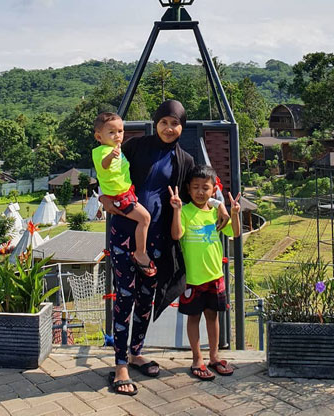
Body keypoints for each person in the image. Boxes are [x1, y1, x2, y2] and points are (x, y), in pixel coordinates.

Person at [99, 100, 229, 396]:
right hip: (125, 234)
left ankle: (135, 353)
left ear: (182, 126)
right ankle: (120, 364)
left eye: (175, 123)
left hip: (157, 240)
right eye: (164, 122)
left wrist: (218, 205)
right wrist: (102, 199)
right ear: (155, 122)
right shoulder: (134, 147)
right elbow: (106, 178)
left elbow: (199, 189)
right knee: (125, 296)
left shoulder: (183, 159)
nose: (169, 128)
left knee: (147, 298)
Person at [169, 164, 241, 380]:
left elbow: (235, 233)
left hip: (215, 276)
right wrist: (177, 210)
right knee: (194, 318)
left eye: (205, 188)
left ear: (213, 190)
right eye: (196, 187)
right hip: (192, 279)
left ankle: (214, 356)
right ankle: (197, 359)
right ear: (188, 189)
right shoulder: (187, 211)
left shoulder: (215, 213)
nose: (200, 192)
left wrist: (235, 213)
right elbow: (176, 235)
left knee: (213, 316)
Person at [91, 112, 155, 276]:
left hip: (126, 193)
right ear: (99, 136)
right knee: (145, 218)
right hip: (120, 197)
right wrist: (111, 157)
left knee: (143, 219)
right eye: (111, 132)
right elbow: (104, 166)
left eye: (120, 131)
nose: (117, 135)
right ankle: (140, 252)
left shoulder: (116, 149)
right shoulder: (102, 151)